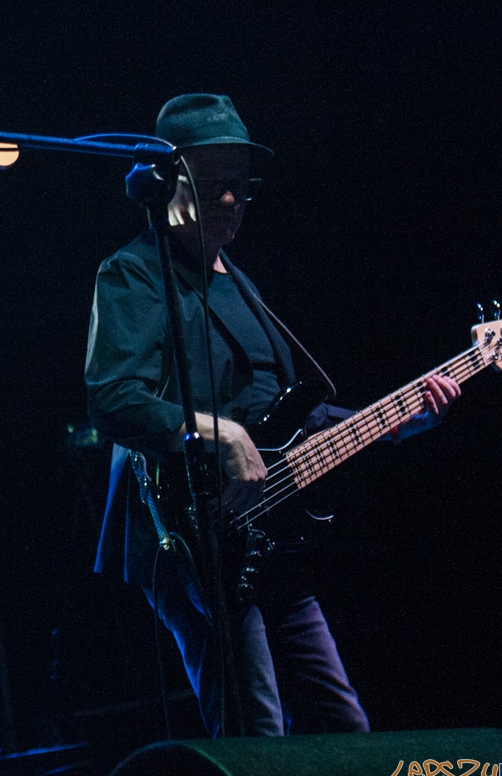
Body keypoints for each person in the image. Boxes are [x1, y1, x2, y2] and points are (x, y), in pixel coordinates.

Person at [85, 94, 459, 737]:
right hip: (189, 527)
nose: (232, 200)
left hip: (270, 534)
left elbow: (285, 416)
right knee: (256, 729)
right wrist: (219, 432)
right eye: (214, 185)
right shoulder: (133, 273)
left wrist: (397, 420)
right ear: (167, 181)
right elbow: (112, 398)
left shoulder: (240, 283)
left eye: (241, 186)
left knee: (344, 724)